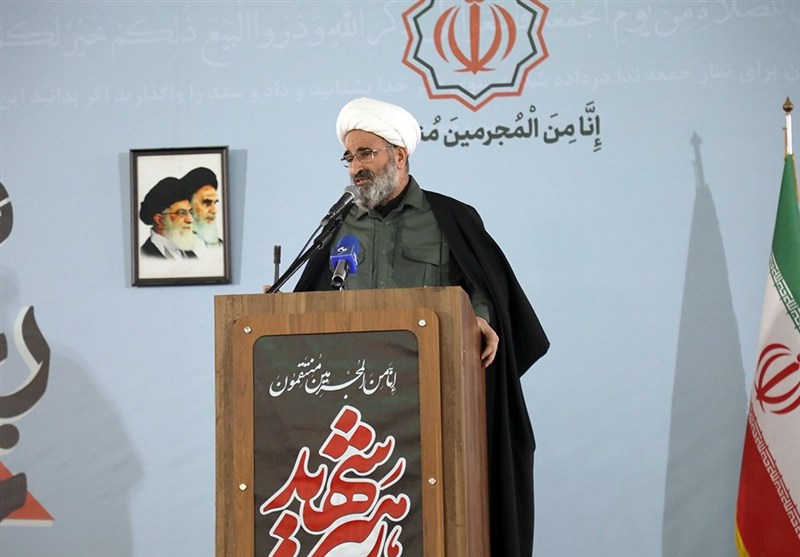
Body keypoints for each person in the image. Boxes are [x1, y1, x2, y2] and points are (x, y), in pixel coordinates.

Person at [294, 97, 549, 557]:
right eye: (349, 157)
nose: (356, 168)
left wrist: (481, 319)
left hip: (434, 394)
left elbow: (482, 288)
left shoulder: (450, 217)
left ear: (399, 154)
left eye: (366, 153)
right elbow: (315, 302)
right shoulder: (338, 226)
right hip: (353, 406)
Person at [138, 176, 197, 259]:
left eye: (190, 212)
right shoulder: (145, 256)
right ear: (159, 220)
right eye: (182, 213)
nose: (190, 219)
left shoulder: (190, 254)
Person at [182, 167, 223, 249]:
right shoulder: (176, 248)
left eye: (215, 203)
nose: (214, 210)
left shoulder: (221, 246)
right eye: (207, 203)